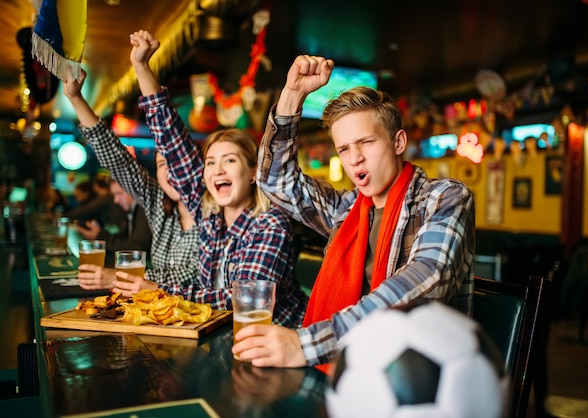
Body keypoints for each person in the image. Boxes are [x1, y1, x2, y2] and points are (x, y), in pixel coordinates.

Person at [232, 55, 476, 368]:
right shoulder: (346, 209)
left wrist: (305, 345)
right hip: (345, 372)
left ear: (398, 141)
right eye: (344, 149)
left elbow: (428, 278)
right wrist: (292, 94)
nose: (354, 159)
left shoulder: (444, 197)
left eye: (366, 142)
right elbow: (274, 181)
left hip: (416, 382)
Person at [127, 30, 307, 328]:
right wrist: (142, 67)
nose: (217, 170)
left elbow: (242, 300)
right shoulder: (210, 215)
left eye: (230, 160)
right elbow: (171, 141)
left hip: (281, 347)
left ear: (252, 173)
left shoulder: (269, 223)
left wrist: (161, 293)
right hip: (225, 337)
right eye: (210, 162)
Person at [62, 70, 199, 292]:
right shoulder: (160, 206)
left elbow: (192, 277)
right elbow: (119, 162)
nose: (170, 170)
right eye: (162, 164)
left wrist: (118, 278)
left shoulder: (213, 213)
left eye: (176, 162)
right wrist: (76, 99)